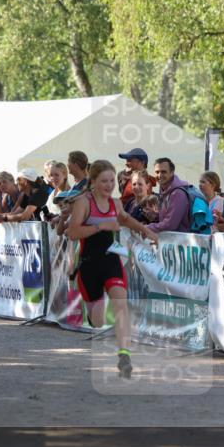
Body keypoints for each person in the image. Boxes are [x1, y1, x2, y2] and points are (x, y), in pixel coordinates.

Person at [65, 160, 158, 378]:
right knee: (98, 320)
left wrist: (147, 231)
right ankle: (93, 314)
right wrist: (101, 226)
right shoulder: (84, 203)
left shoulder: (115, 203)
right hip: (89, 265)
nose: (109, 185)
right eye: (104, 181)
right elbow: (73, 233)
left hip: (111, 261)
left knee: (121, 305)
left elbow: (125, 219)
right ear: (93, 182)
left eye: (111, 181)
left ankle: (124, 356)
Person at [145, 157, 192, 234]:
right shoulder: (165, 190)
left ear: (172, 172)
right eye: (157, 172)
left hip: (181, 240)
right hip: (172, 239)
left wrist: (146, 228)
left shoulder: (178, 193)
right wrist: (155, 215)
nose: (160, 175)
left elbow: (170, 225)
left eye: (163, 172)